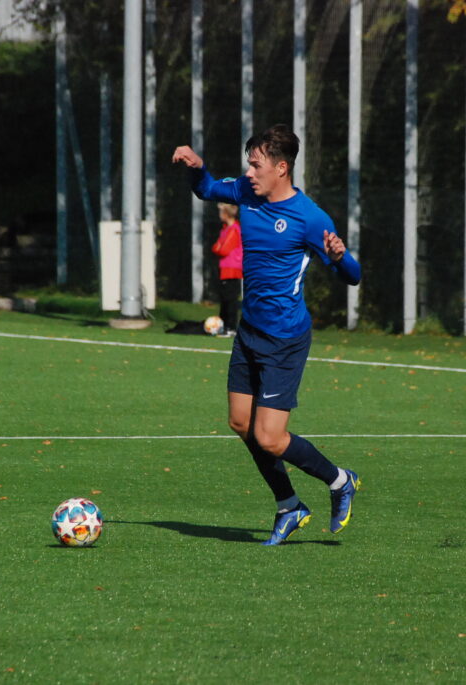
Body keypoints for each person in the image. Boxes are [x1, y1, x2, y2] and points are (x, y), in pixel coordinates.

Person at [172, 124, 363, 546]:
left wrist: (339, 256)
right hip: (249, 333)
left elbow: (353, 276)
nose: (249, 172)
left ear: (281, 168)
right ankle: (289, 505)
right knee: (240, 422)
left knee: (269, 437)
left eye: (256, 165)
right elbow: (206, 189)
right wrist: (197, 167)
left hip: (284, 339)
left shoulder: (310, 218)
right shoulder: (246, 192)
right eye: (248, 164)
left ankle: (339, 480)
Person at [211, 203, 243, 335]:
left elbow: (223, 249)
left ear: (226, 214)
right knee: (224, 298)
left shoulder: (234, 229)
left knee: (231, 299)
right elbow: (215, 247)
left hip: (232, 268)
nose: (219, 215)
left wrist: (218, 248)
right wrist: (218, 248)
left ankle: (231, 327)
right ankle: (223, 325)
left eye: (221, 212)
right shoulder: (225, 229)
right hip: (224, 267)